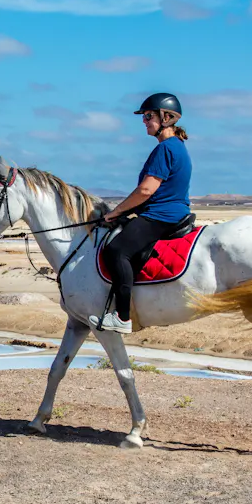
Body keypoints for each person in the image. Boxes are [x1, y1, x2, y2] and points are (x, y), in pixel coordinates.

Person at [90, 93, 193, 334]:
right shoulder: (175, 146)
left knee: (116, 250)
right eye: (144, 117)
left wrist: (115, 211)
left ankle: (123, 317)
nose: (144, 121)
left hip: (162, 216)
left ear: (166, 118)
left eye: (148, 116)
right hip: (168, 212)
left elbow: (146, 189)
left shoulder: (166, 149)